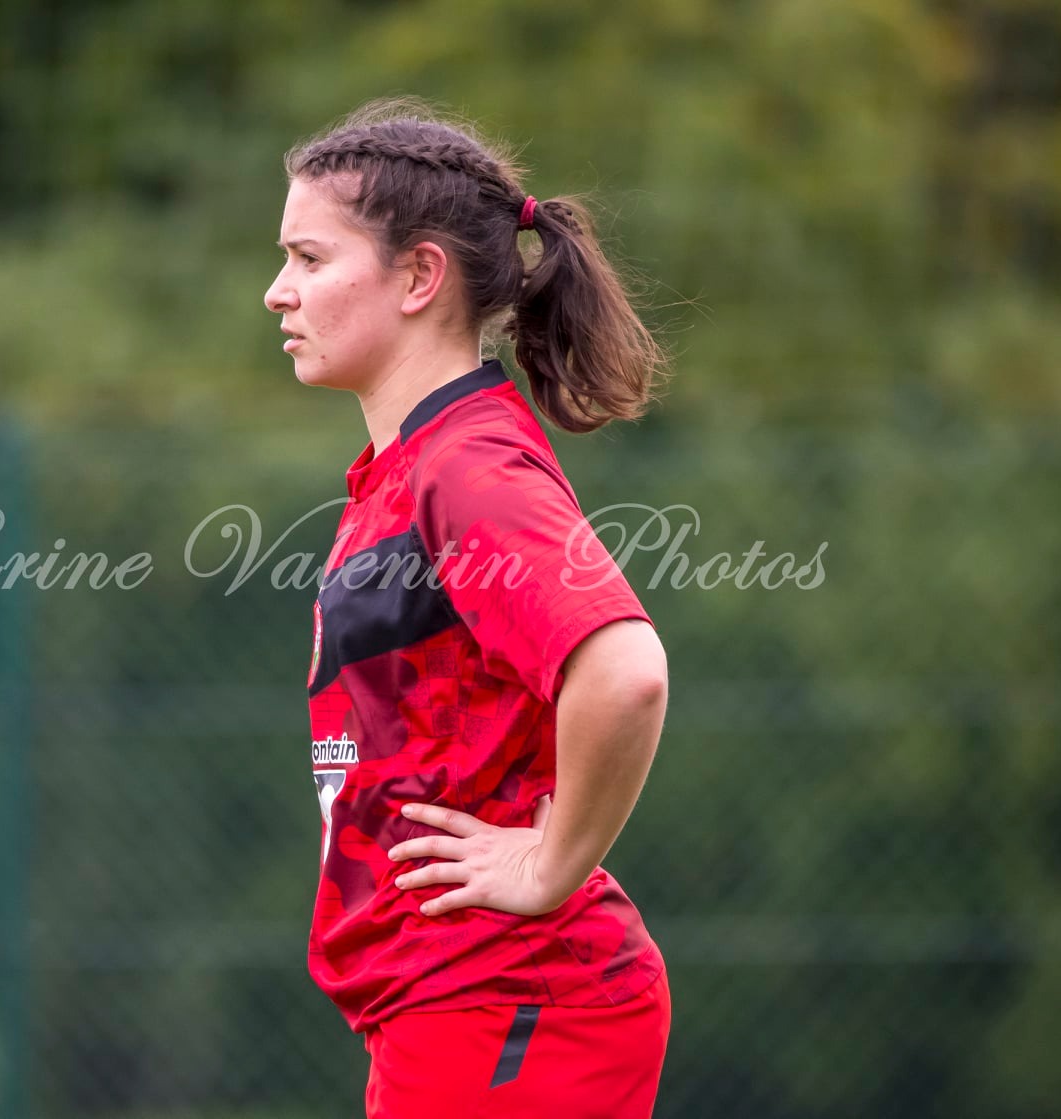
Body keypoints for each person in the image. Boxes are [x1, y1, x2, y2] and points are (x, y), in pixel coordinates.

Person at [264, 98, 673, 1119]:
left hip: (513, 995)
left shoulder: (469, 469)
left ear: (419, 276)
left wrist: (551, 863)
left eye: (311, 260)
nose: (278, 293)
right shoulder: (406, 471)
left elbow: (624, 671)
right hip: (455, 1000)